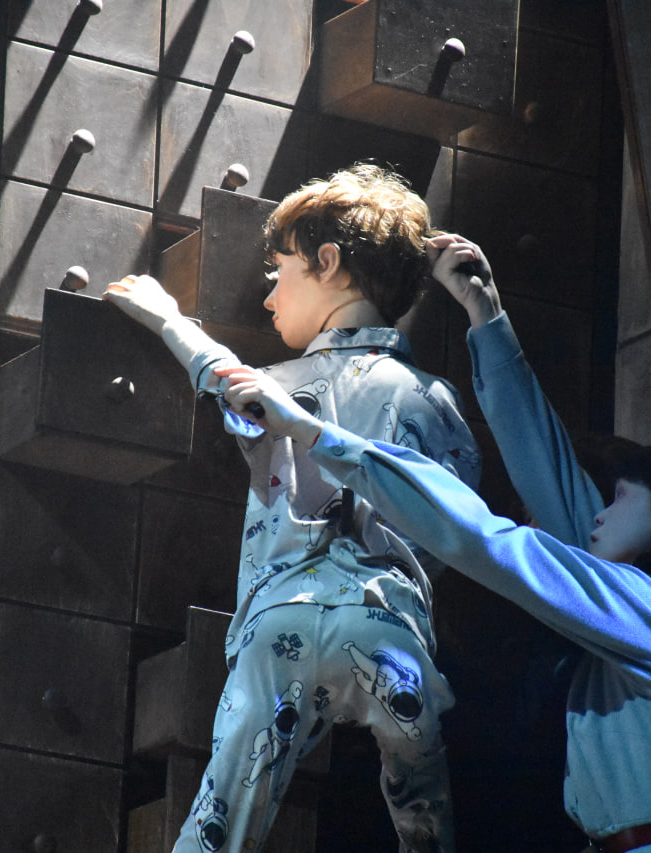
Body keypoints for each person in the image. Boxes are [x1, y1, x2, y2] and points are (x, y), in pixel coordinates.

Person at [213, 233, 651, 853]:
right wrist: (485, 315)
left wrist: (315, 434)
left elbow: (489, 541)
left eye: (618, 497)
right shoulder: (642, 615)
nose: (594, 513)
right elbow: (547, 468)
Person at [104, 166, 481, 853]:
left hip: (279, 623)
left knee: (222, 814)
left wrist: (167, 319)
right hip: (386, 626)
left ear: (328, 263)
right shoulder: (433, 398)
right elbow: (460, 523)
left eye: (279, 271)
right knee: (424, 808)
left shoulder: (276, 385)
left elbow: (221, 373)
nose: (268, 294)